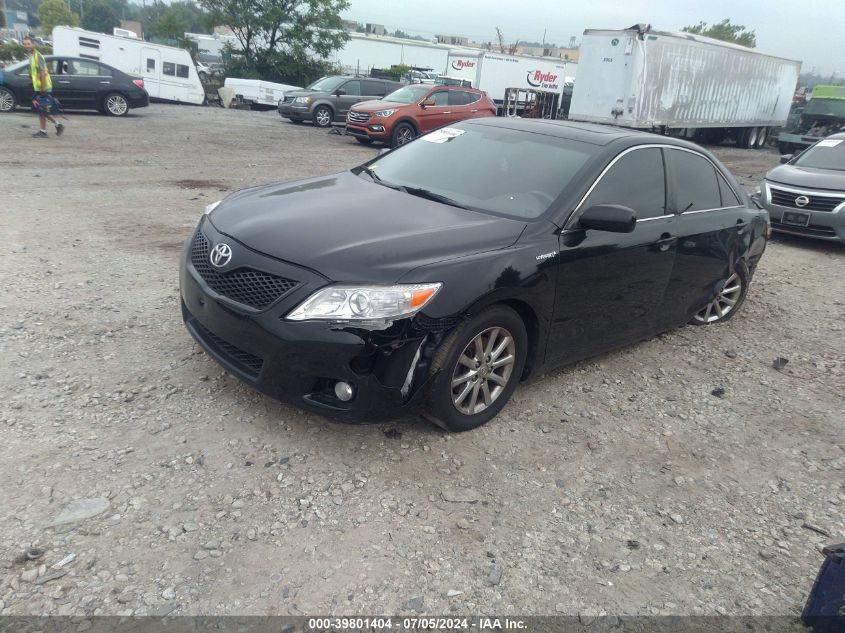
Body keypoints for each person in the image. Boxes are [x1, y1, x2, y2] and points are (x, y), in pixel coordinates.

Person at [23, 36, 64, 138]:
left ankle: (48, 129)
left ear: (33, 44)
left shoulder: (38, 56)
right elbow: (34, 71)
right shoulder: (31, 56)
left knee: (43, 109)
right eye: (25, 44)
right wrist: (32, 79)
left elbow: (42, 72)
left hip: (43, 87)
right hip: (38, 87)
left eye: (28, 44)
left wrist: (43, 89)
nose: (26, 46)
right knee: (41, 110)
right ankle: (50, 128)